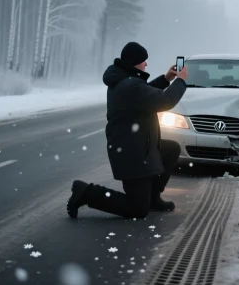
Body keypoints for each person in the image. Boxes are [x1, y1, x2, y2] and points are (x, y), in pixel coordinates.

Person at [67, 41, 188, 219]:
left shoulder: (125, 81)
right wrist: (181, 81)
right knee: (137, 209)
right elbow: (165, 100)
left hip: (136, 147)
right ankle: (86, 192)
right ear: (135, 62)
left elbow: (145, 95)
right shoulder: (131, 85)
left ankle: (153, 198)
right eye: (143, 60)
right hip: (132, 155)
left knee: (171, 149)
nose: (146, 64)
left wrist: (166, 79)